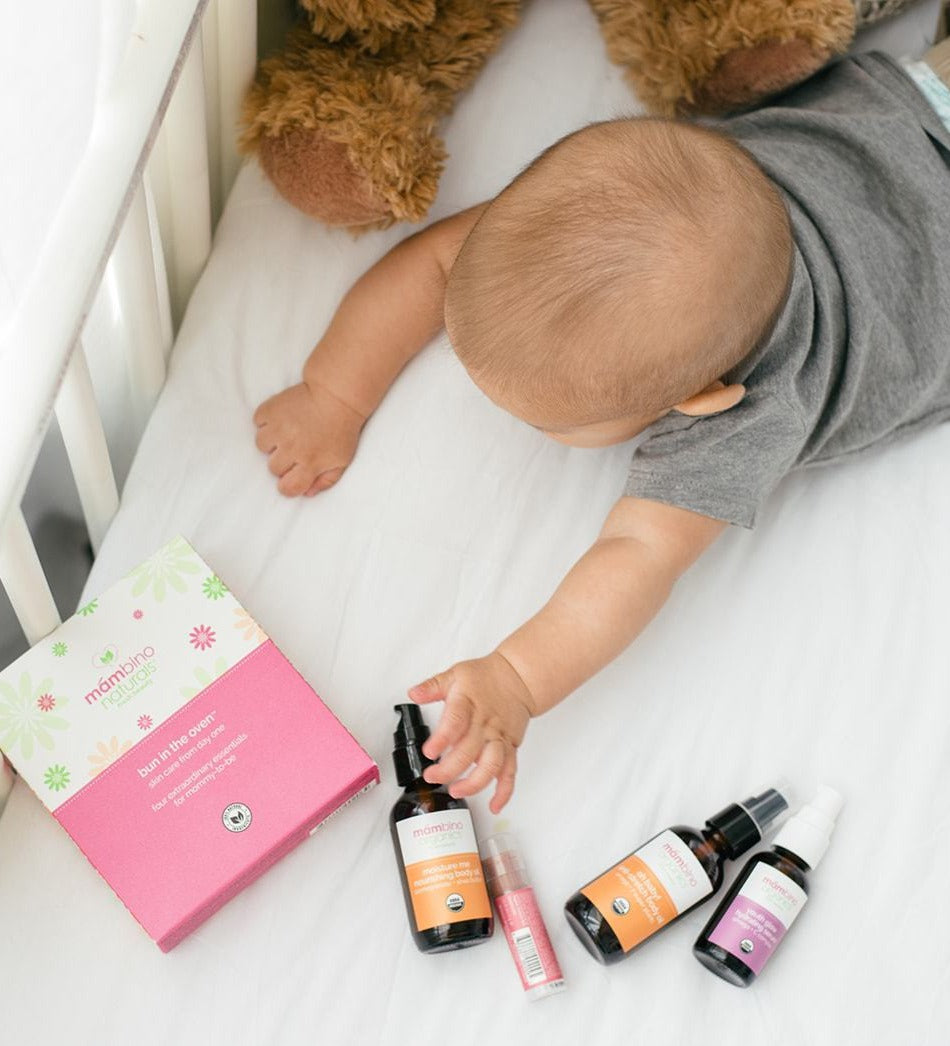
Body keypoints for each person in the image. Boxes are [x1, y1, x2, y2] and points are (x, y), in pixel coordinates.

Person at [253, 48, 950, 813]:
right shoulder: (632, 220)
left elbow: (639, 555)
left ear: (699, 399)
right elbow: (433, 264)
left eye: (550, 420)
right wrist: (332, 395)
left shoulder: (746, 415)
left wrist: (517, 678)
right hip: (904, 106)